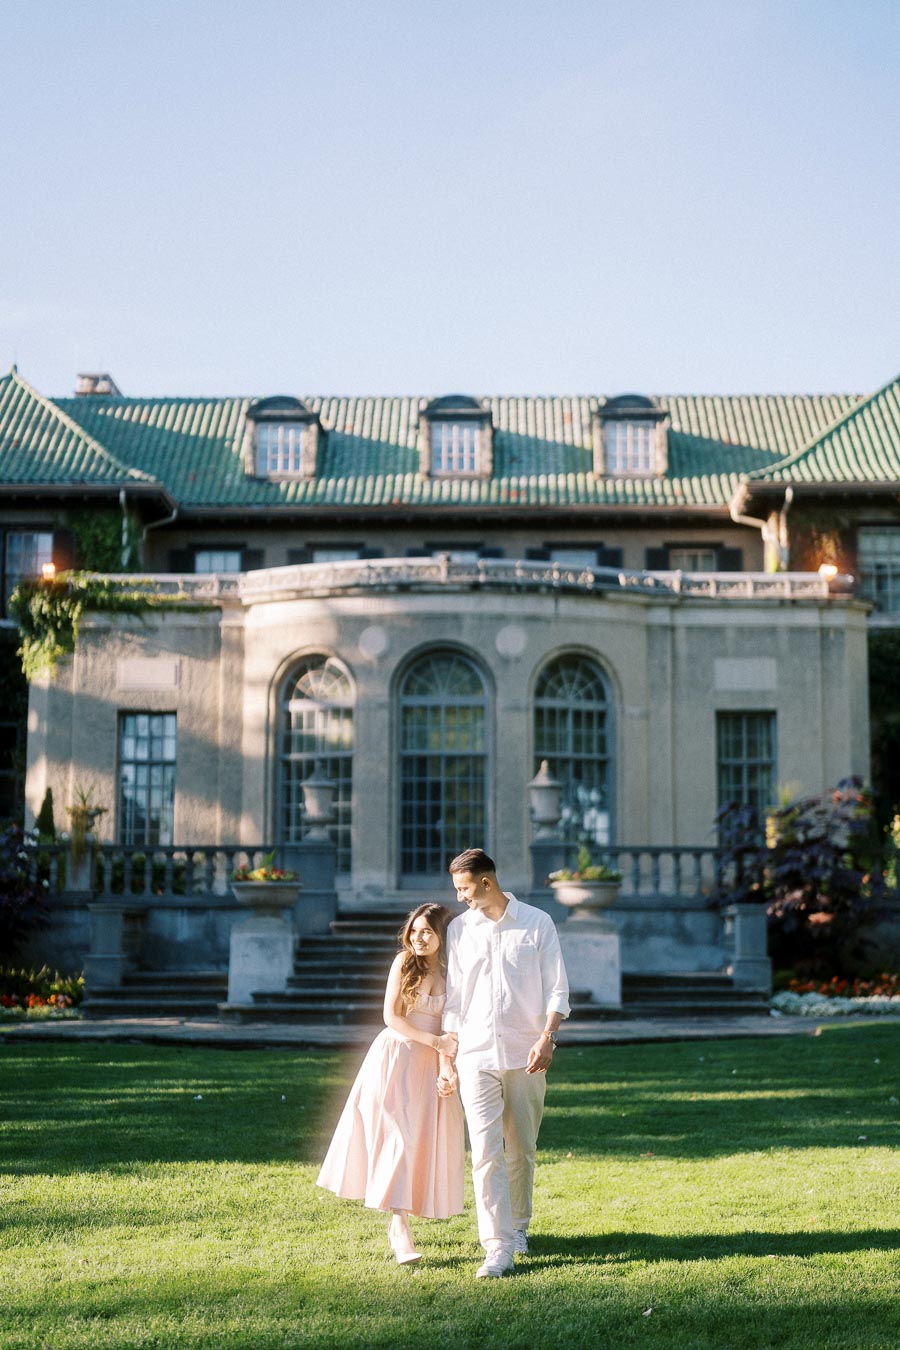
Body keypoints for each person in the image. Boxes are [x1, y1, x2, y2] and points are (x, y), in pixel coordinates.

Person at [443, 848, 569, 1279]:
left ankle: (518, 1227)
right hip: (475, 1054)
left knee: (521, 1149)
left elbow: (557, 990)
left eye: (463, 889)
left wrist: (547, 1037)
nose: (459, 898)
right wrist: (449, 1056)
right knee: (484, 1151)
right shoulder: (459, 930)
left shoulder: (537, 923)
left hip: (525, 1053)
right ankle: (496, 1246)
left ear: (485, 883)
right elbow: (455, 1000)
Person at [316, 903, 464, 1265]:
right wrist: (435, 1045)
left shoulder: (454, 972)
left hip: (430, 1066)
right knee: (398, 1139)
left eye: (427, 931)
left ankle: (403, 1217)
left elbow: (452, 1029)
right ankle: (399, 1227)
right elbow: (391, 1017)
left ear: (443, 935)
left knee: (419, 1143)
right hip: (396, 1058)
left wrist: (448, 1071)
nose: (419, 938)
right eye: (414, 931)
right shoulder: (403, 963)